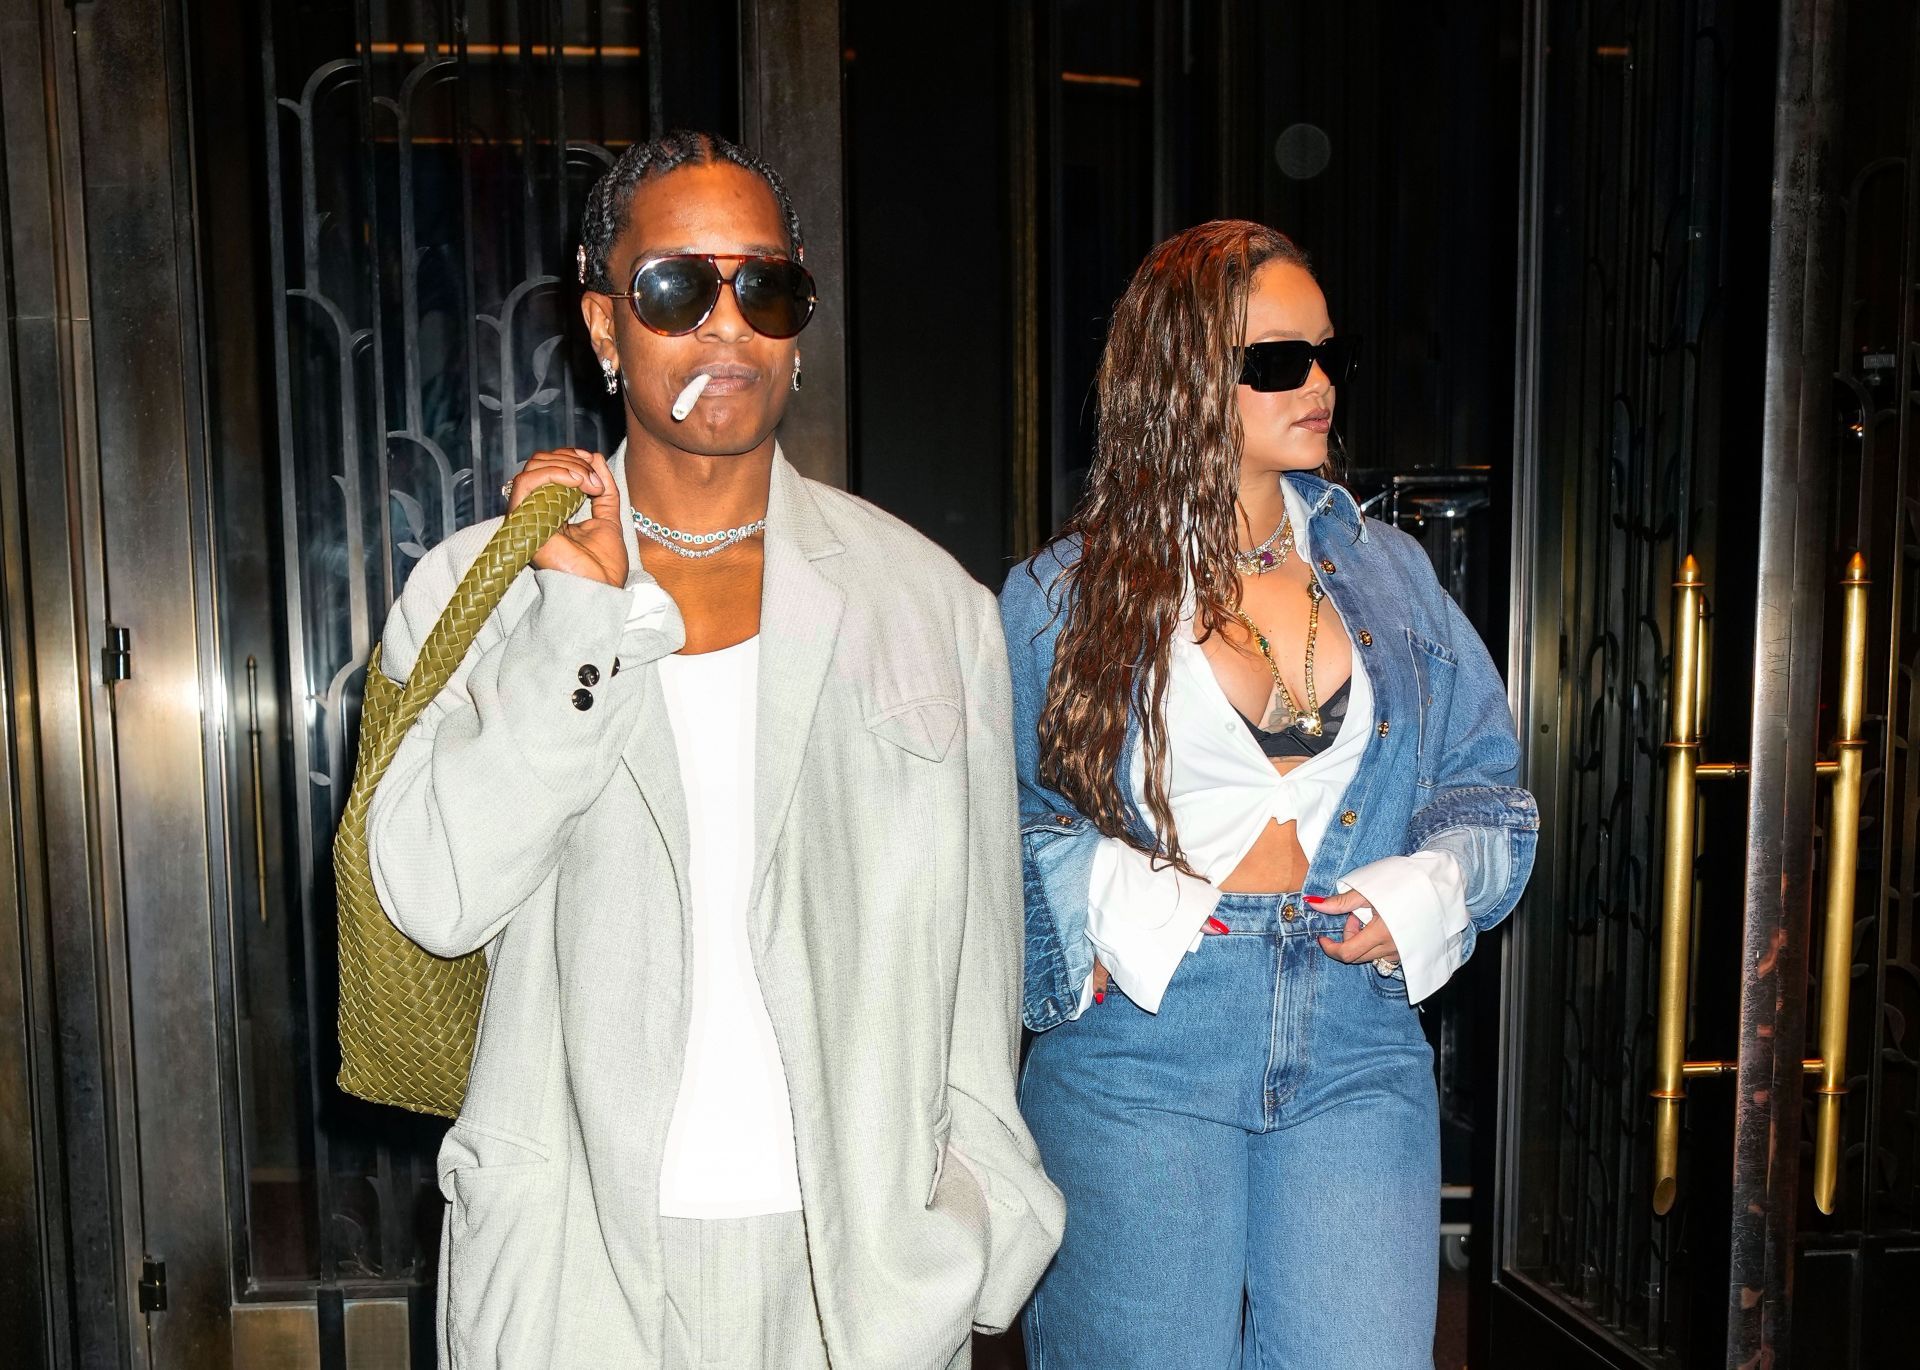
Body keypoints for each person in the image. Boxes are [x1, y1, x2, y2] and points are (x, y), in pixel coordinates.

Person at [368, 130, 1062, 1369]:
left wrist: (974, 1227)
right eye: (678, 289)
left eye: (767, 286)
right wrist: (577, 624)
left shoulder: (929, 606)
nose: (727, 325)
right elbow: (435, 896)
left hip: (858, 1278)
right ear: (603, 323)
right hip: (578, 1270)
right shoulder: (477, 593)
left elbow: (980, 966)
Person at [999, 220, 1537, 1368]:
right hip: (1146, 1042)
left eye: (1327, 353)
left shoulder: (1391, 575)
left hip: (1355, 1041)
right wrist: (1109, 897)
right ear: (1184, 378)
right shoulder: (1060, 596)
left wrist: (1423, 887)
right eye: (1279, 361)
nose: (1323, 384)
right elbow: (991, 819)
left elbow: (1491, 796)